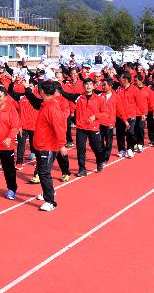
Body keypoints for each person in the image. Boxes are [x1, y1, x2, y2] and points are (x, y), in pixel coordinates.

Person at [29, 81, 69, 211]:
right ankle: (48, 192)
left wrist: (62, 145)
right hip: (42, 144)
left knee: (44, 173)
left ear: (41, 92)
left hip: (48, 146)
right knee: (43, 171)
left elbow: (59, 127)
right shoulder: (47, 105)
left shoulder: (51, 107)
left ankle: (50, 201)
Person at [59, 77, 106, 175]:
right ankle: (82, 169)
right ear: (83, 86)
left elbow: (105, 113)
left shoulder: (99, 99)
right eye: (86, 84)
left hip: (93, 127)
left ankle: (100, 162)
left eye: (90, 84)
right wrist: (58, 85)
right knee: (81, 149)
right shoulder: (78, 98)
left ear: (93, 86)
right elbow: (65, 94)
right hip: (81, 128)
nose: (88, 86)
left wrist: (95, 116)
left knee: (97, 148)